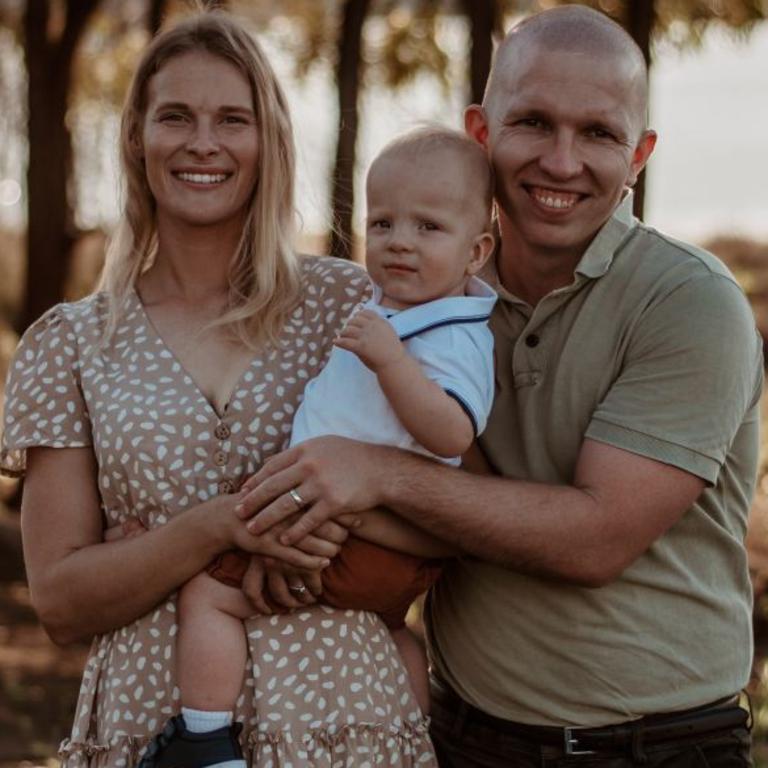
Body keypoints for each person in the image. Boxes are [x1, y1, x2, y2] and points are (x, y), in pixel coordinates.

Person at [235, 6, 763, 767]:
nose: (561, 160)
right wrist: (264, 536)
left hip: (654, 747)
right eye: (535, 123)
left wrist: (373, 473)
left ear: (640, 154)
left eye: (600, 134)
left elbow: (594, 539)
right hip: (461, 735)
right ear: (481, 132)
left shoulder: (687, 302)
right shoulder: (422, 298)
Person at [0, 11, 437, 767]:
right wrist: (214, 527)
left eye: (233, 119)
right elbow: (64, 602)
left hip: (349, 724)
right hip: (152, 726)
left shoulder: (354, 306)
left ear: (267, 141)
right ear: (137, 137)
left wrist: (353, 519)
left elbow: (450, 515)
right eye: (177, 117)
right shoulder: (70, 343)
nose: (204, 143)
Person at [159, 126, 496, 735]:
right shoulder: (392, 305)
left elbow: (452, 433)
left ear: (476, 253)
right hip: (382, 550)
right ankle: (412, 737)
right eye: (385, 223)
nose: (400, 243)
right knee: (394, 630)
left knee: (210, 595)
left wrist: (390, 361)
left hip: (352, 538)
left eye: (429, 228)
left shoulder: (456, 333)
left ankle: (203, 740)